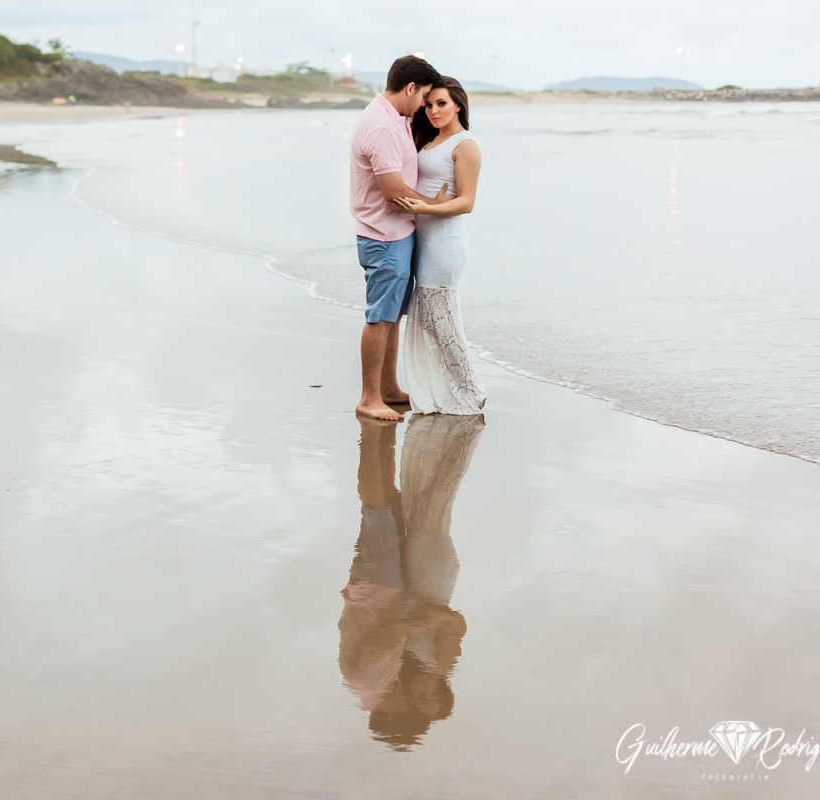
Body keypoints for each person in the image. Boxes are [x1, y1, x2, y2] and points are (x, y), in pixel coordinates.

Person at [339, 414, 484, 749]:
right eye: (426, 698)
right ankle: (386, 435)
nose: (417, 696)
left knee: (384, 510)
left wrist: (413, 615)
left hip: (388, 588)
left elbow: (386, 633)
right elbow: (453, 623)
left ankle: (377, 437)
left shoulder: (378, 682)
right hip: (421, 577)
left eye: (417, 703)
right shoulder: (435, 666)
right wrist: (430, 615)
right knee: (416, 501)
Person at [350, 55, 448, 422]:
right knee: (380, 317)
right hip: (384, 235)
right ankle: (369, 397)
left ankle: (388, 388)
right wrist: (437, 205)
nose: (424, 105)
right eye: (423, 97)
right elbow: (392, 190)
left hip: (397, 232)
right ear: (410, 88)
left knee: (392, 315)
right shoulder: (383, 127)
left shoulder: (396, 118)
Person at [394, 78, 487, 415]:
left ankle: (472, 391)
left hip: (445, 244)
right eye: (429, 104)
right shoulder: (434, 140)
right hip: (426, 239)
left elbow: (466, 202)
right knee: (433, 319)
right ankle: (454, 388)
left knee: (441, 320)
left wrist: (427, 209)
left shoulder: (465, 145)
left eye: (441, 104)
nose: (433, 110)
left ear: (458, 105)